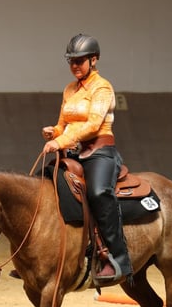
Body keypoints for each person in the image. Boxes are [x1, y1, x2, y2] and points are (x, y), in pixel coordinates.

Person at [41, 33, 133, 285]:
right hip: (74, 152)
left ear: (94, 60)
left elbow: (93, 125)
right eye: (71, 61)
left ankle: (117, 257)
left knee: (99, 192)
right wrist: (55, 132)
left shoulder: (102, 87)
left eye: (80, 61)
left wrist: (60, 141)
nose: (74, 66)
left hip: (100, 152)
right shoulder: (69, 90)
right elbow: (64, 124)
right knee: (45, 186)